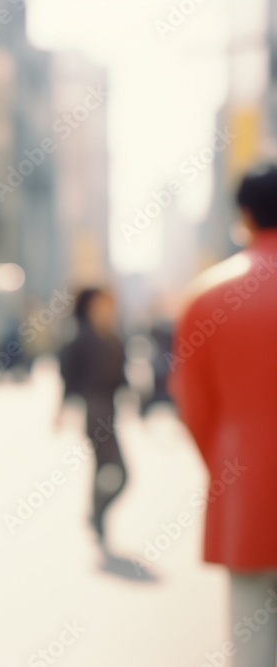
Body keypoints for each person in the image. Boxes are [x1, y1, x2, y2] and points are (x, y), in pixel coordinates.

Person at [169, 164, 277, 667]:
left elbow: (195, 411)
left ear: (244, 215)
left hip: (247, 488)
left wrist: (229, 468)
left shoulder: (207, 296)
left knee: (254, 640)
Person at [57, 287, 127, 544]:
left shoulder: (113, 338)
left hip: (109, 411)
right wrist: (60, 410)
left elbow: (122, 379)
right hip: (94, 412)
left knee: (106, 470)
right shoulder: (81, 339)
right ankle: (97, 512)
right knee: (117, 471)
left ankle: (96, 513)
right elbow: (67, 377)